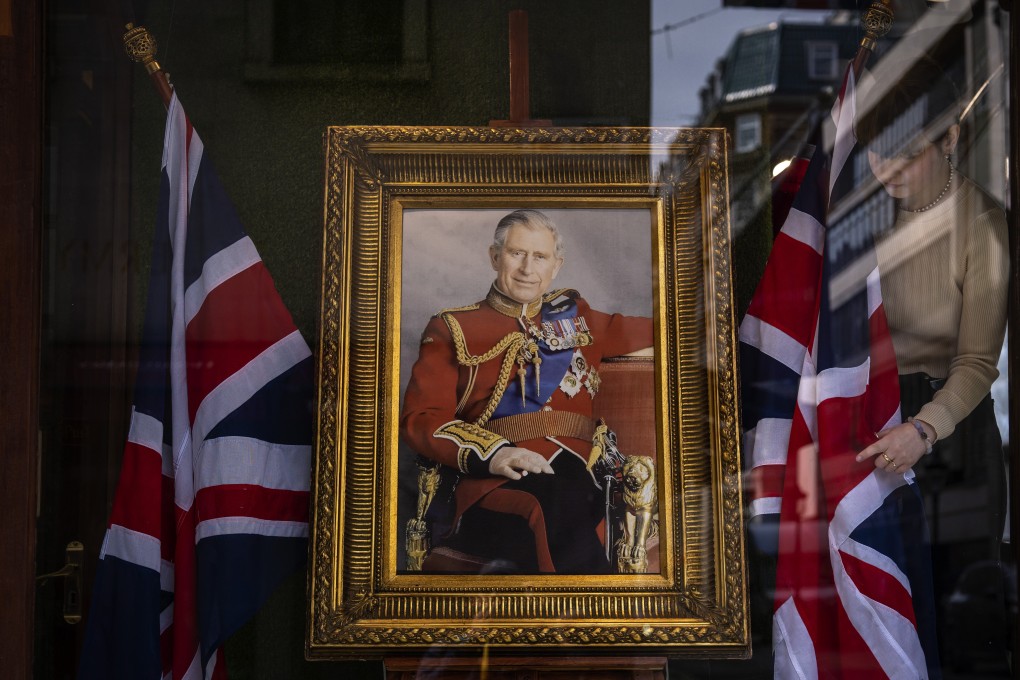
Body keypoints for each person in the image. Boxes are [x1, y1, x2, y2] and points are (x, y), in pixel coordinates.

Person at [854, 63, 1010, 666]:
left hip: (950, 431)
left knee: (958, 626)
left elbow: (977, 361)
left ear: (949, 140)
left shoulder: (984, 226)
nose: (888, 170)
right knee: (888, 628)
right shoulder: (861, 219)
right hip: (874, 423)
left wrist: (924, 429)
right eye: (877, 154)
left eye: (907, 154)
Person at [400, 209, 653, 574]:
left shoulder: (576, 316)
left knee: (583, 498)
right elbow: (420, 419)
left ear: (556, 265)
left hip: (584, 473)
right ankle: (598, 624)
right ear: (495, 256)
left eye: (540, 256)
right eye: (517, 253)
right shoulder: (452, 328)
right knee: (561, 502)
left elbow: (668, 331)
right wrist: (493, 455)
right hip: (496, 484)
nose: (526, 268)